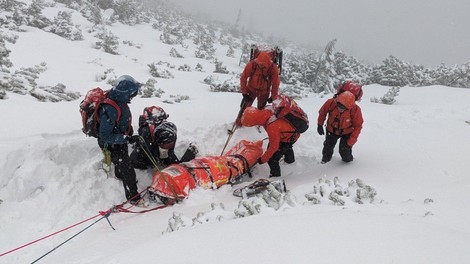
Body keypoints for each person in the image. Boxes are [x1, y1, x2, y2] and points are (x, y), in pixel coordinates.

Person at [98, 75, 142, 204]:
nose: (134, 95)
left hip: (119, 139)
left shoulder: (118, 100)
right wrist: (126, 139)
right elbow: (104, 135)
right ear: (125, 92)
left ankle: (119, 174)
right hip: (112, 143)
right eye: (132, 93)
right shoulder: (110, 108)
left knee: (122, 161)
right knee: (127, 168)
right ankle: (133, 197)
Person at [130, 106, 197, 170]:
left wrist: (153, 164)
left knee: (135, 160)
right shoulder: (166, 129)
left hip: (156, 149)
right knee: (173, 163)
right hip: (162, 150)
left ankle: (190, 152)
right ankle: (191, 151)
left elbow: (146, 148)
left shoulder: (146, 130)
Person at [240, 106, 300, 177]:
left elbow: (274, 147)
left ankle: (275, 177)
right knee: (286, 147)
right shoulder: (267, 109)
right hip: (292, 132)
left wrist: (263, 159)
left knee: (272, 159)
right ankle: (290, 161)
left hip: (289, 137)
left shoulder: (272, 126)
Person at [317, 91, 363, 163]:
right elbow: (323, 112)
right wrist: (320, 124)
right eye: (338, 105)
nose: (339, 108)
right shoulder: (331, 102)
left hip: (347, 132)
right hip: (331, 129)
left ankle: (349, 164)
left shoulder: (355, 110)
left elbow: (358, 126)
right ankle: (325, 162)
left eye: (342, 107)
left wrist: (351, 141)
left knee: (345, 152)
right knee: (327, 148)